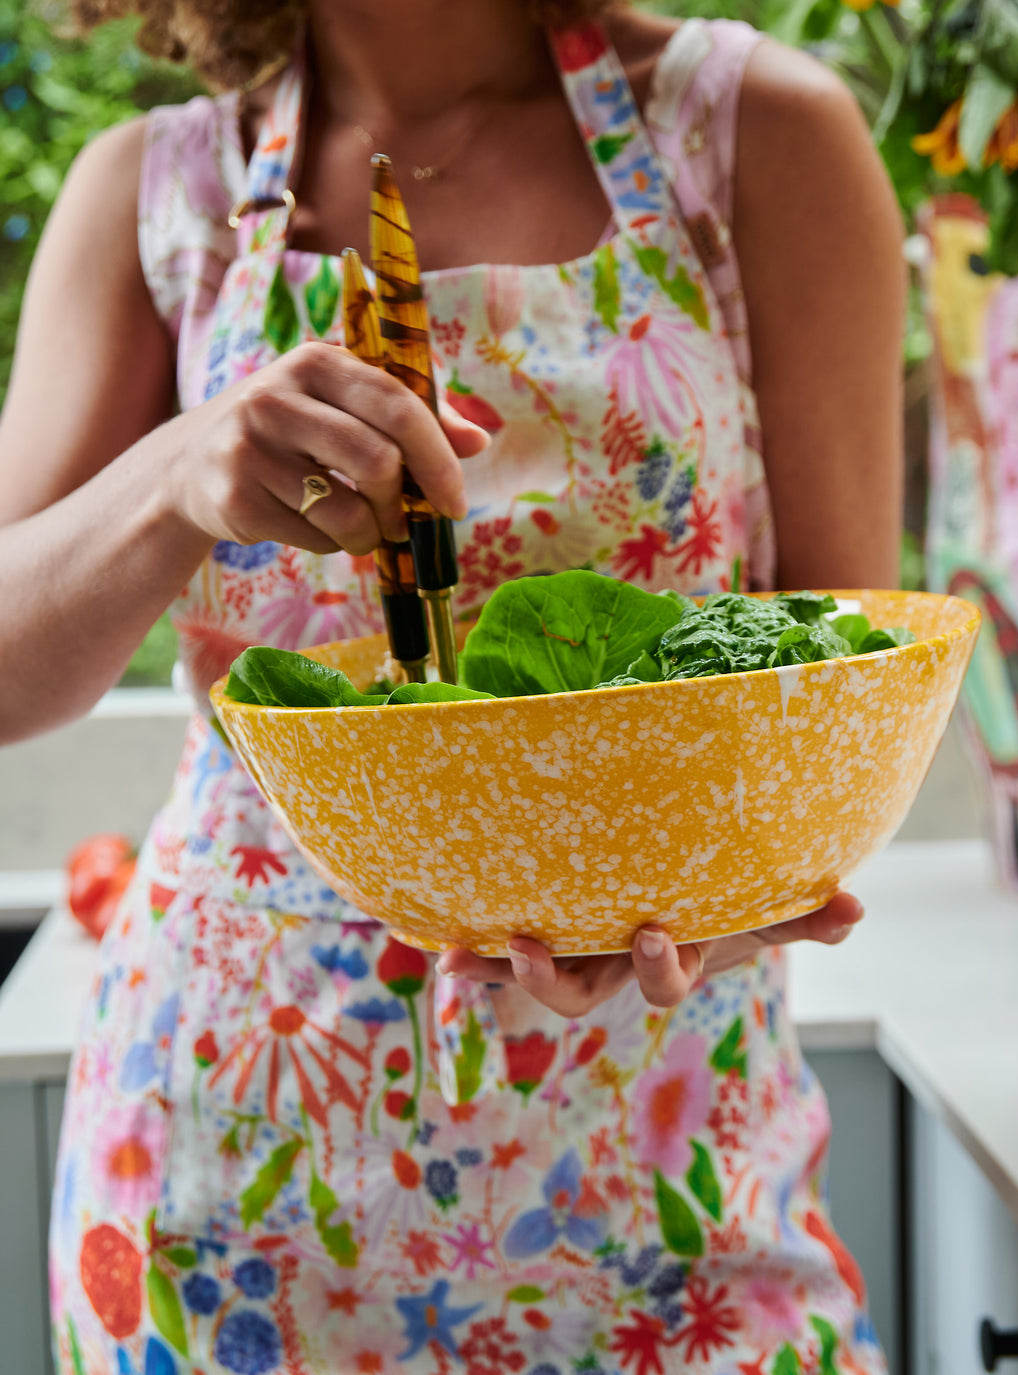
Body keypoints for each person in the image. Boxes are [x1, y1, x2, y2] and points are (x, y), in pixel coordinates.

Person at [0, 0, 904, 1369]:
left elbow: (842, 686)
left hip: (668, 1171)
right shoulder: (157, 194)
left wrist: (730, 901)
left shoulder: (750, 140)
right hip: (232, 1189)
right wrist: (176, 475)